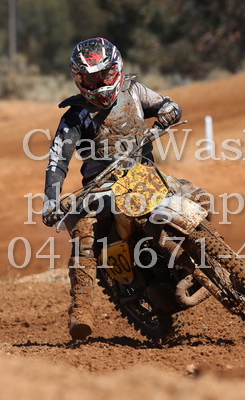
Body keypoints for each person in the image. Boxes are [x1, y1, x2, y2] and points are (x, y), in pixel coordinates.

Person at [41, 37, 182, 340]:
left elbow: (166, 104)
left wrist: (170, 110)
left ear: (116, 69)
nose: (99, 83)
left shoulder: (134, 92)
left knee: (192, 196)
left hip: (145, 176)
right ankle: (81, 310)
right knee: (84, 232)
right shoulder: (75, 115)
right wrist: (51, 200)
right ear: (79, 79)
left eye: (104, 75)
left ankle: (213, 254)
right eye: (90, 79)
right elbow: (57, 161)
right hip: (100, 190)